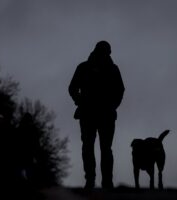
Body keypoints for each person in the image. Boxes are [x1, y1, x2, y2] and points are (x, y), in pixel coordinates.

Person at [69, 41, 125, 189]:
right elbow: (72, 87)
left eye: (106, 51)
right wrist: (79, 100)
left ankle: (106, 181)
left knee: (105, 149)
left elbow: (120, 90)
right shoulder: (83, 67)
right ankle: (91, 179)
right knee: (88, 147)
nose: (104, 54)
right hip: (87, 114)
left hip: (106, 115)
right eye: (102, 51)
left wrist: (113, 106)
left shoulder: (113, 69)